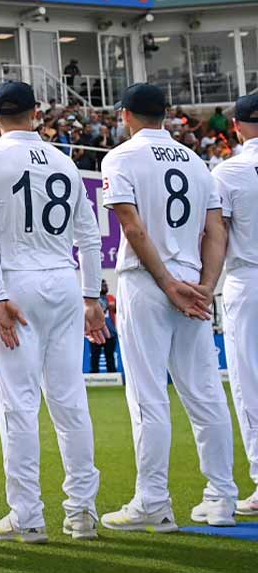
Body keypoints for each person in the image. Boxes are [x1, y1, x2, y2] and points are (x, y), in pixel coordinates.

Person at [0, 81, 106, 543]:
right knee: (70, 400)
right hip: (63, 280)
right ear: (36, 113)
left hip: (16, 279)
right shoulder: (65, 160)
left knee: (19, 405)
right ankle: (82, 511)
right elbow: (89, 235)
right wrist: (91, 297)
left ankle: (27, 516)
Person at [99, 83, 235, 532]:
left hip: (149, 280)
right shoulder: (197, 163)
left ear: (125, 115)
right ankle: (221, 497)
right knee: (206, 393)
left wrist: (166, 282)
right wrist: (205, 286)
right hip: (194, 281)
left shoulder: (120, 158)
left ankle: (153, 501)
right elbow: (216, 232)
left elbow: (133, 227)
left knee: (148, 395)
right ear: (166, 114)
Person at [213, 93, 258, 516]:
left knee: (250, 383)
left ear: (239, 127)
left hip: (249, 278)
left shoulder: (229, 170)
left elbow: (218, 234)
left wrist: (205, 284)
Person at [89, 279, 118, 374]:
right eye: (103, 285)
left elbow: (117, 309)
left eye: (106, 285)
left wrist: (114, 305)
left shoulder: (111, 298)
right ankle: (94, 377)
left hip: (110, 333)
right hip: (96, 332)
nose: (105, 287)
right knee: (95, 356)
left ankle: (113, 376)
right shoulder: (92, 300)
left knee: (110, 357)